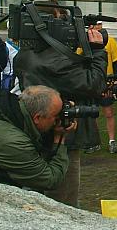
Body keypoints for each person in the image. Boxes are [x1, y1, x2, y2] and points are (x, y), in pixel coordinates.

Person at [13, 19, 107, 207]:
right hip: (61, 134)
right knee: (64, 198)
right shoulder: (56, 62)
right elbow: (94, 84)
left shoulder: (25, 54)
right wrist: (97, 51)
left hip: (36, 130)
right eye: (64, 23)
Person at [0, 86, 72, 190]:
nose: (57, 121)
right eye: (55, 116)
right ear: (37, 118)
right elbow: (49, 180)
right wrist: (59, 138)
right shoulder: (15, 143)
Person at [83, 21, 117, 154]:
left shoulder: (110, 41)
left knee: (109, 112)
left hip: (106, 82)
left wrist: (115, 81)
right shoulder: (83, 42)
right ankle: (94, 141)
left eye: (99, 24)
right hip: (90, 83)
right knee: (91, 113)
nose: (97, 27)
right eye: (94, 25)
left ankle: (112, 141)